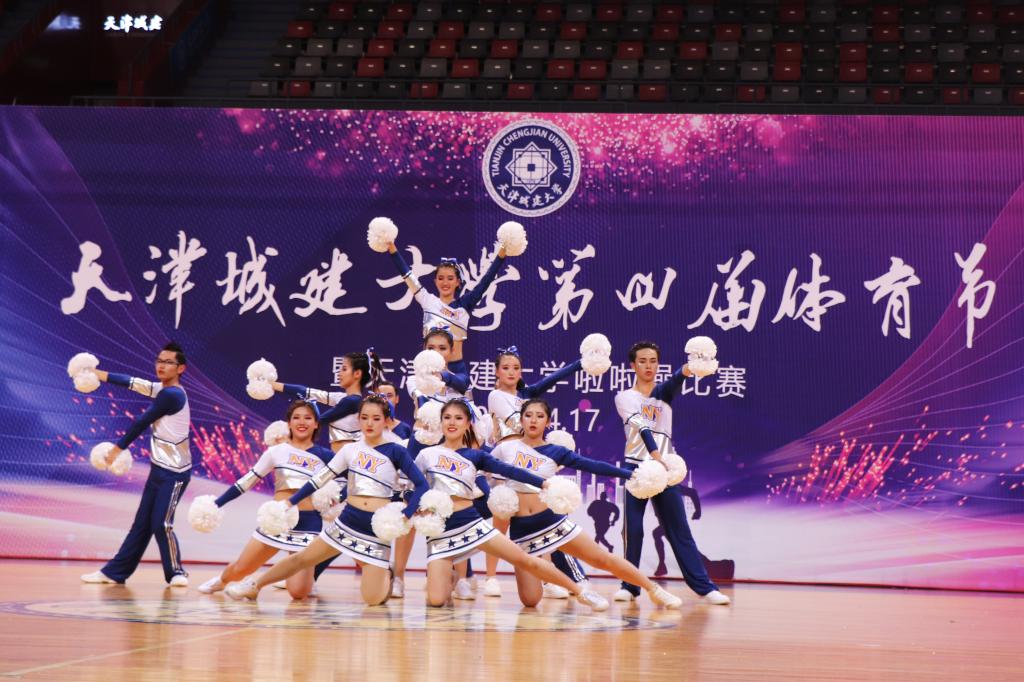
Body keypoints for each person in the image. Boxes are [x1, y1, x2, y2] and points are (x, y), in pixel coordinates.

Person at [225, 395, 428, 605]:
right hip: (347, 521)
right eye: (364, 417)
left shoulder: (396, 451)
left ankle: (387, 574)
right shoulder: (350, 450)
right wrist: (291, 502)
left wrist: (406, 514)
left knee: (373, 600)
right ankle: (254, 586)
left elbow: (422, 485)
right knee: (302, 558)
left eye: (376, 418)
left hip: (375, 530)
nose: (369, 423)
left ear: (386, 421)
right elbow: (318, 480)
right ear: (358, 419)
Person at [412, 399, 609, 611]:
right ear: (441, 422)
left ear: (468, 423)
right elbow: (410, 487)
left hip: (471, 524)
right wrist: (416, 508)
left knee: (524, 559)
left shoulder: (476, 456)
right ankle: (449, 577)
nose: (452, 422)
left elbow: (511, 471)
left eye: (458, 418)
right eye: (447, 418)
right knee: (436, 600)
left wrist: (542, 483)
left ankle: (581, 591)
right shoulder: (426, 455)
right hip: (441, 532)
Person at [491, 399, 682, 608]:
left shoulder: (556, 451)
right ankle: (574, 588)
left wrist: (630, 474)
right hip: (522, 530)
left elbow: (593, 466)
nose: (533, 420)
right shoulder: (505, 448)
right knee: (530, 599)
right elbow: (483, 470)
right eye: (528, 415)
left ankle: (654, 590)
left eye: (540, 416)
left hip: (551, 522)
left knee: (602, 559)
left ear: (548, 422)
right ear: (521, 420)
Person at [612, 341, 730, 606]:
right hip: (637, 468)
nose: (648, 366)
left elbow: (674, 382)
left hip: (664, 471)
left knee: (679, 529)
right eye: (642, 361)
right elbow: (640, 426)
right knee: (633, 530)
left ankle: (705, 588)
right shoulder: (625, 397)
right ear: (632, 366)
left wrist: (692, 366)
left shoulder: (663, 394)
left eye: (653, 361)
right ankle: (629, 586)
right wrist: (654, 455)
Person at [80, 342, 192, 587]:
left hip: (176, 473)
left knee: (161, 523)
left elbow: (142, 421)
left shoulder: (173, 395)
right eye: (159, 361)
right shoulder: (161, 389)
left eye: (168, 362)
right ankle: (114, 573)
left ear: (180, 368)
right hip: (159, 469)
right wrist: (95, 373)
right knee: (141, 524)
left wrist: (117, 449)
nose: (161, 366)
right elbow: (130, 381)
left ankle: (176, 573)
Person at [197, 400, 332, 598]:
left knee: (299, 592)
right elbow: (247, 481)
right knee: (242, 568)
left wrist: (334, 499)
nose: (302, 422)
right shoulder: (277, 451)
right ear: (289, 423)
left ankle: (255, 584)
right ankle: (222, 581)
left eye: (308, 418)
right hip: (277, 519)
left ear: (316, 423)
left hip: (308, 524)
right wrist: (217, 503)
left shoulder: (326, 456)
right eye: (296, 417)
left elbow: (347, 483)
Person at [483, 345, 587, 598]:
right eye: (505, 368)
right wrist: (545, 438)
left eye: (516, 368)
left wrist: (579, 364)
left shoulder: (526, 395)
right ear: (496, 371)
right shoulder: (496, 395)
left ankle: (547, 578)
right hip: (507, 459)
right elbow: (520, 423)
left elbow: (551, 380)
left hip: (530, 460)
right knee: (501, 519)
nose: (511, 372)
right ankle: (491, 578)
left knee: (541, 518)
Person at [385, 238, 513, 363]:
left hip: (456, 371)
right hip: (428, 369)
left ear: (458, 282)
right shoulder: (427, 300)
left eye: (450, 278)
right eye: (441, 278)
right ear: (435, 281)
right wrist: (391, 246)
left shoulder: (465, 304)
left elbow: (486, 280)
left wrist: (502, 251)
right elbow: (407, 275)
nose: (445, 283)